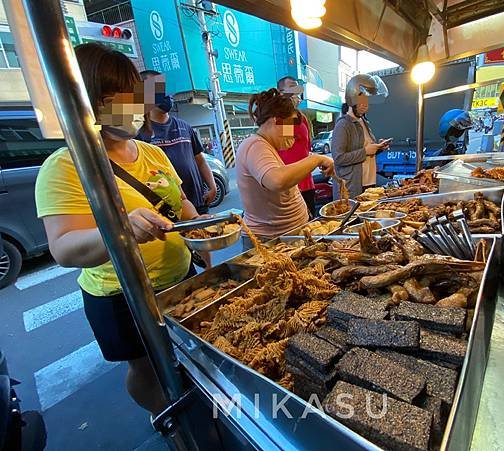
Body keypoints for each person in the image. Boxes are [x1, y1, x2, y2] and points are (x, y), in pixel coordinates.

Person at [34, 43, 205, 417]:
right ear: (86, 105)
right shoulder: (64, 167)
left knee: (191, 353)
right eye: (114, 98)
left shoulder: (153, 153)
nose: (131, 107)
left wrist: (205, 232)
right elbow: (63, 248)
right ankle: (172, 420)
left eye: (132, 95)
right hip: (121, 296)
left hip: (181, 279)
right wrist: (120, 229)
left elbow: (183, 206)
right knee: (145, 368)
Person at [236, 89, 334, 250]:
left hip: (288, 235)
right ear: (276, 121)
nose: (293, 133)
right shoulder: (254, 145)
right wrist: (316, 159)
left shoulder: (268, 146)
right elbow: (277, 180)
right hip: (270, 242)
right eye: (290, 125)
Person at [137, 70, 217, 216]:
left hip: (198, 201)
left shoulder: (184, 126)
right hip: (171, 209)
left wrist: (212, 186)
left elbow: (200, 160)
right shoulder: (141, 134)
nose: (165, 94)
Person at [331, 74, 389, 199]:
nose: (365, 105)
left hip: (369, 182)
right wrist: (365, 151)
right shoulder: (343, 125)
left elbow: (367, 150)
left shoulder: (364, 122)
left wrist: (378, 147)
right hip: (352, 187)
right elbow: (339, 158)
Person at [276, 76, 317, 218]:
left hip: (307, 182)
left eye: (297, 89)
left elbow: (305, 149)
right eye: (291, 89)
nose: (295, 94)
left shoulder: (302, 117)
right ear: (280, 93)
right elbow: (285, 144)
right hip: (291, 186)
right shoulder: (281, 118)